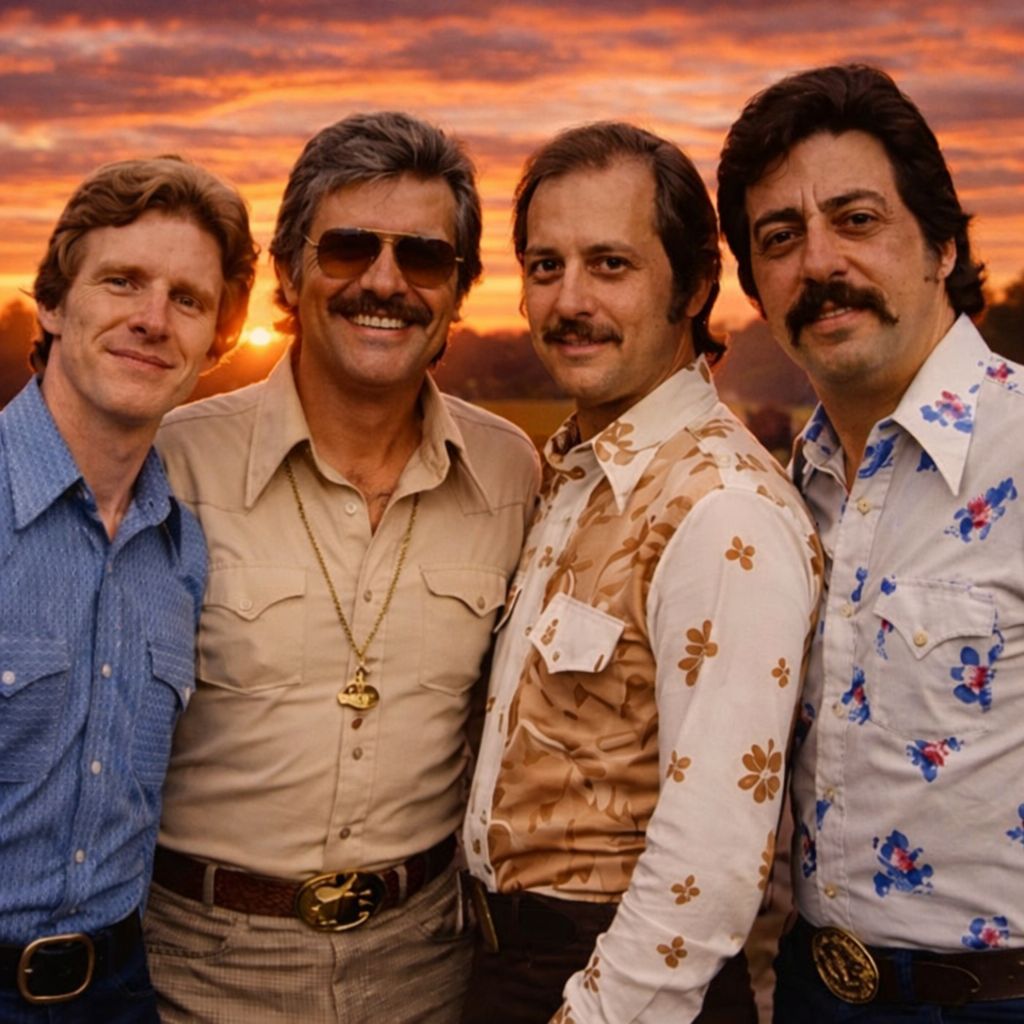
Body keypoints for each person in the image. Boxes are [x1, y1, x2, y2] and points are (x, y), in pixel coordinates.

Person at [143, 111, 540, 1023]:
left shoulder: (510, 473)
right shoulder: (174, 464)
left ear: (460, 290)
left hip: (427, 971)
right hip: (200, 975)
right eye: (350, 247)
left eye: (425, 258)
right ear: (288, 269)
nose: (385, 283)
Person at [461, 121, 822, 1024]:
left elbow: (709, 864)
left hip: (619, 987)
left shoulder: (721, 509)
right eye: (545, 267)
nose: (569, 300)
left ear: (694, 285)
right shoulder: (573, 478)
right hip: (507, 966)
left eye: (610, 265)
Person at [717, 63, 1024, 1022]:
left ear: (941, 243)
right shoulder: (781, 495)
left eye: (856, 219)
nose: (819, 264)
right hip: (813, 989)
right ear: (756, 288)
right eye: (780, 238)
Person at [0, 156, 256, 1021]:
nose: (152, 319)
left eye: (188, 299)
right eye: (122, 282)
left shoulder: (181, 553)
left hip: (117, 991)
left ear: (216, 343)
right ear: (53, 303)